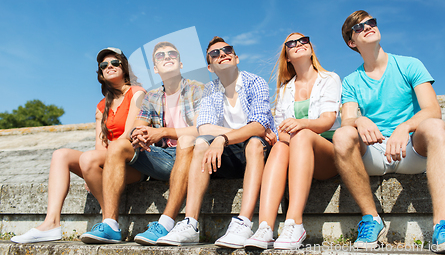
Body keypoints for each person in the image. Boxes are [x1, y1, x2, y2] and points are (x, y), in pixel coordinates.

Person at [333, 10, 445, 254]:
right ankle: (371, 219)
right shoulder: (351, 80)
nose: (368, 27)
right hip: (373, 153)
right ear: (352, 42)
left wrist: (404, 127)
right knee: (342, 136)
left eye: (371, 22)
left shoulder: (409, 64)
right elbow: (347, 120)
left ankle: (443, 226)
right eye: (359, 27)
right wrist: (359, 120)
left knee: (436, 126)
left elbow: (432, 109)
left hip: (410, 150)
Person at [11, 47, 145, 244]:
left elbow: (128, 135)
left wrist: (91, 162)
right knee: (61, 155)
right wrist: (91, 168)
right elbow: (100, 145)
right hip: (109, 161)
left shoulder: (137, 92)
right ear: (100, 73)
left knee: (88, 158)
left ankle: (110, 222)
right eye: (104, 65)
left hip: (134, 163)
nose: (109, 66)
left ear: (124, 67)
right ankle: (51, 223)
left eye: (115, 62)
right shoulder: (101, 106)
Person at [155, 36, 276, 248]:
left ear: (236, 58)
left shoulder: (255, 82)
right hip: (227, 154)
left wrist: (224, 137)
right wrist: (227, 136)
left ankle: (244, 222)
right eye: (215, 53)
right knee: (201, 142)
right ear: (210, 67)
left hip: (259, 154)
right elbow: (205, 127)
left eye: (227, 50)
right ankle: (190, 223)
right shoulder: (211, 90)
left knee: (255, 142)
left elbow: (259, 127)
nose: (222, 54)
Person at [80, 41, 204, 244]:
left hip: (192, 155)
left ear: (181, 64)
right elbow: (138, 126)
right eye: (161, 56)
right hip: (163, 159)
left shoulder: (197, 89)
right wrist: (139, 134)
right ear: (155, 68)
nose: (167, 57)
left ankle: (165, 223)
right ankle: (110, 224)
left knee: (187, 140)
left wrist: (162, 132)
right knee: (119, 146)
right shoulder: (152, 96)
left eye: (172, 54)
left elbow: (203, 128)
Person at [244, 33, 342, 250]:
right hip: (296, 151)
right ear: (287, 56)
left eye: (303, 40)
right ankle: (265, 228)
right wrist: (287, 133)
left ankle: (294, 223)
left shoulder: (329, 78)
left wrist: (300, 124)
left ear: (311, 48)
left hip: (326, 153)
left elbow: (327, 121)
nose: (298, 44)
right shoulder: (286, 87)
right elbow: (280, 131)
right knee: (279, 147)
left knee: (303, 134)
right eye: (291, 43)